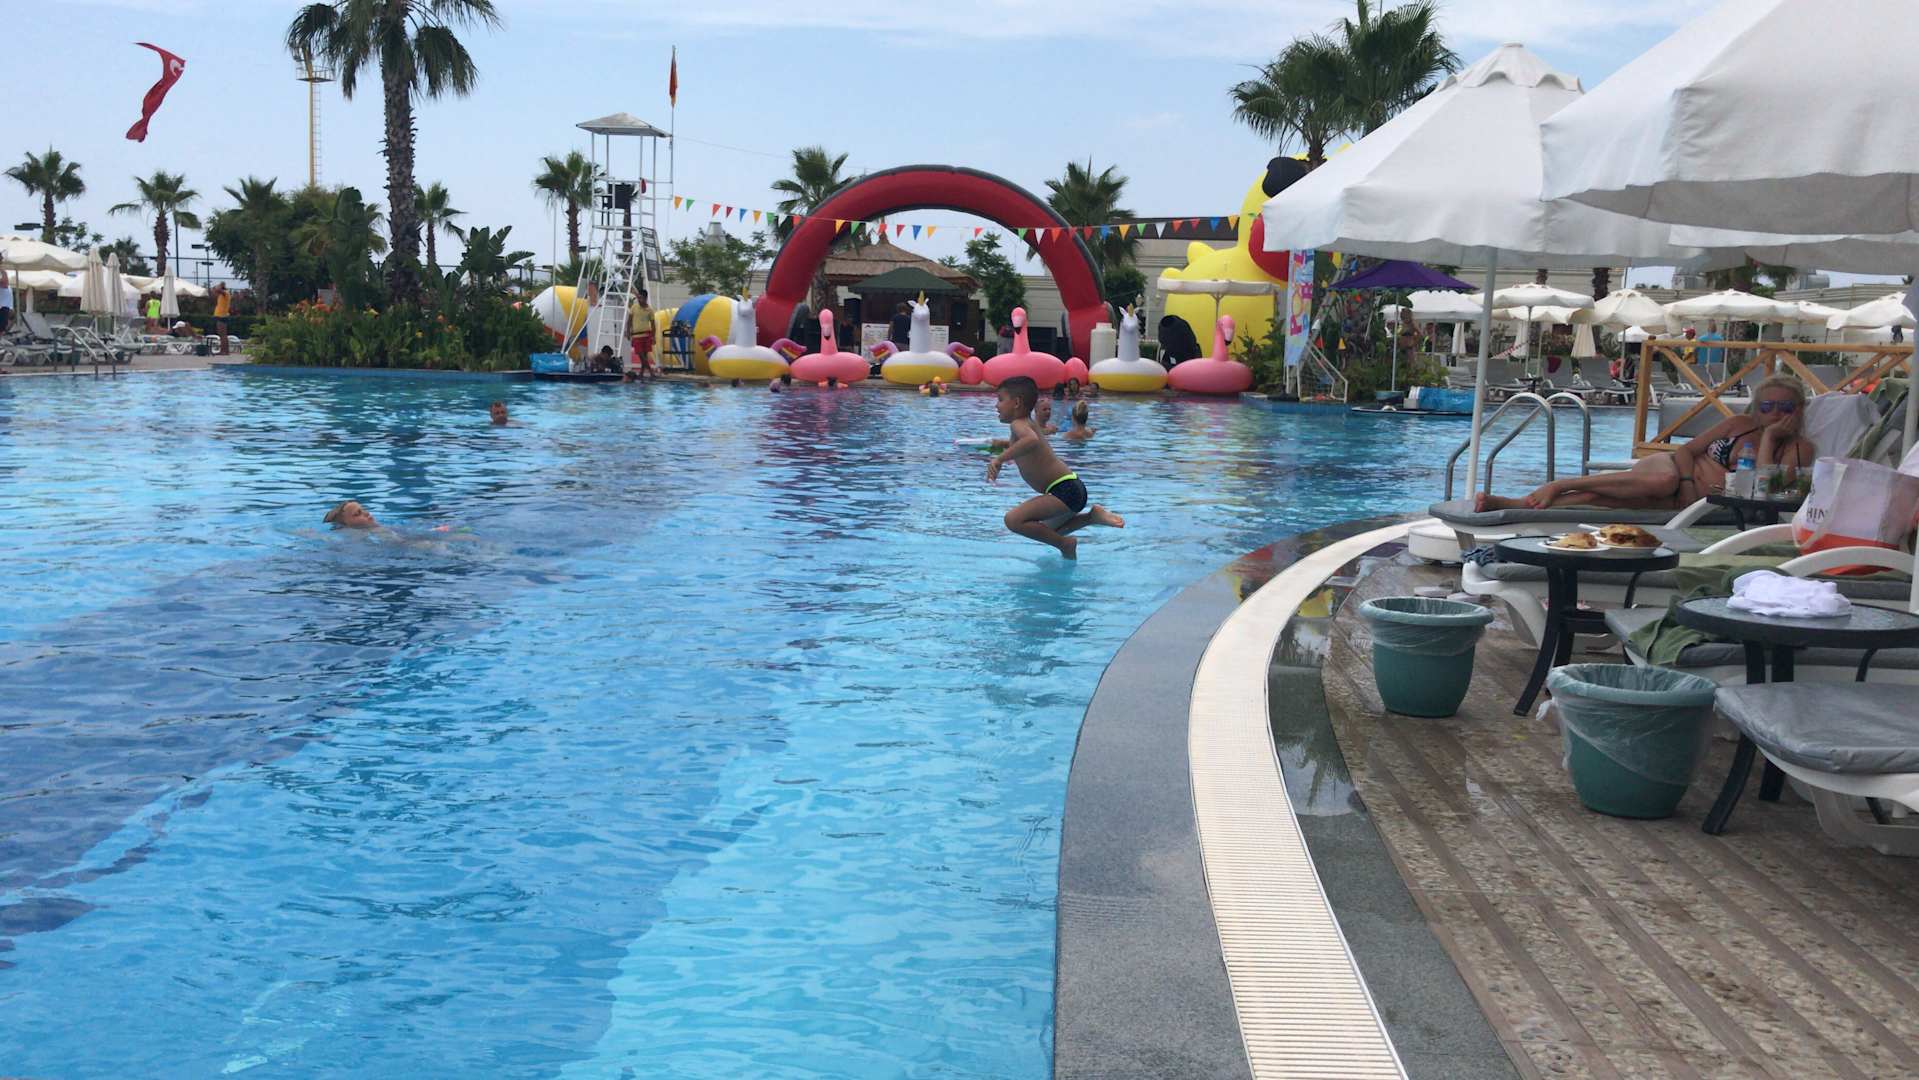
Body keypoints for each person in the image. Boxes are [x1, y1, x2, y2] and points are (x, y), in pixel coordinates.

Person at [1476, 375, 1815, 511]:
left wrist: (1771, 438)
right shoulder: (1737, 425)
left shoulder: (1799, 449)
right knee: (1662, 480)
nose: (1775, 413)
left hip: (1691, 503)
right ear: (1756, 407)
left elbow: (1765, 490)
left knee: (1600, 500)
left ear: (1798, 410)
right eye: (1767, 406)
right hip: (1672, 471)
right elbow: (1686, 451)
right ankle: (1560, 484)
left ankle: (1518, 504)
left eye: (1785, 407)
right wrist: (1685, 481)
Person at [987, 376, 1124, 559]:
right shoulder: (1027, 424)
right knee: (1044, 530)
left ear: (1017, 403)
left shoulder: (1018, 424)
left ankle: (1065, 545)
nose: (996, 405)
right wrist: (1002, 444)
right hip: (1071, 488)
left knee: (1013, 520)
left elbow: (1031, 440)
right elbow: (1028, 444)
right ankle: (1090, 517)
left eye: (1000, 399)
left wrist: (999, 460)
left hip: (1063, 490)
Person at [629, 289, 658, 378]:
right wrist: (628, 331)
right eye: (638, 298)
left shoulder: (650, 310)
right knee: (641, 355)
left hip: (646, 335)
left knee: (645, 355)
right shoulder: (634, 307)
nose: (639, 300)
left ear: (645, 298)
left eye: (641, 298)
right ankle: (651, 372)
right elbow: (629, 321)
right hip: (636, 335)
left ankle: (641, 373)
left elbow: (653, 325)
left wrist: (653, 336)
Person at [212, 283, 232, 355]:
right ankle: (224, 350)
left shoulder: (225, 293)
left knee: (223, 335)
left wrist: (219, 285)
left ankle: (224, 351)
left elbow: (217, 289)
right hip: (220, 316)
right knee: (222, 335)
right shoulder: (221, 295)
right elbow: (214, 290)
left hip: (222, 316)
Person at [0, 269, 12, 336]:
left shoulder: (8, 287)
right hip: (2, 307)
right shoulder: (4, 284)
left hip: (5, 307)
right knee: (1, 327)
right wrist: (3, 271)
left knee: (2, 327)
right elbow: (5, 283)